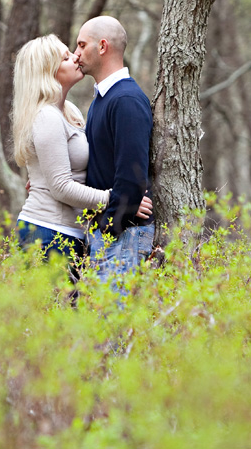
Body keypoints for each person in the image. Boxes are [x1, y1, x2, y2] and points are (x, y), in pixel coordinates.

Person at [11, 34, 151, 272]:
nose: (75, 57)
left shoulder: (69, 111)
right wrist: (119, 200)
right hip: (47, 233)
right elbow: (60, 187)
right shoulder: (47, 116)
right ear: (48, 71)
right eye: (66, 57)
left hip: (67, 234)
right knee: (56, 309)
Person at [73, 16, 154, 295]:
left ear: (103, 46)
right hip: (111, 236)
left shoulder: (126, 100)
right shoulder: (103, 99)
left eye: (82, 45)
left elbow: (131, 180)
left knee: (113, 334)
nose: (77, 54)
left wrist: (105, 226)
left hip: (123, 237)